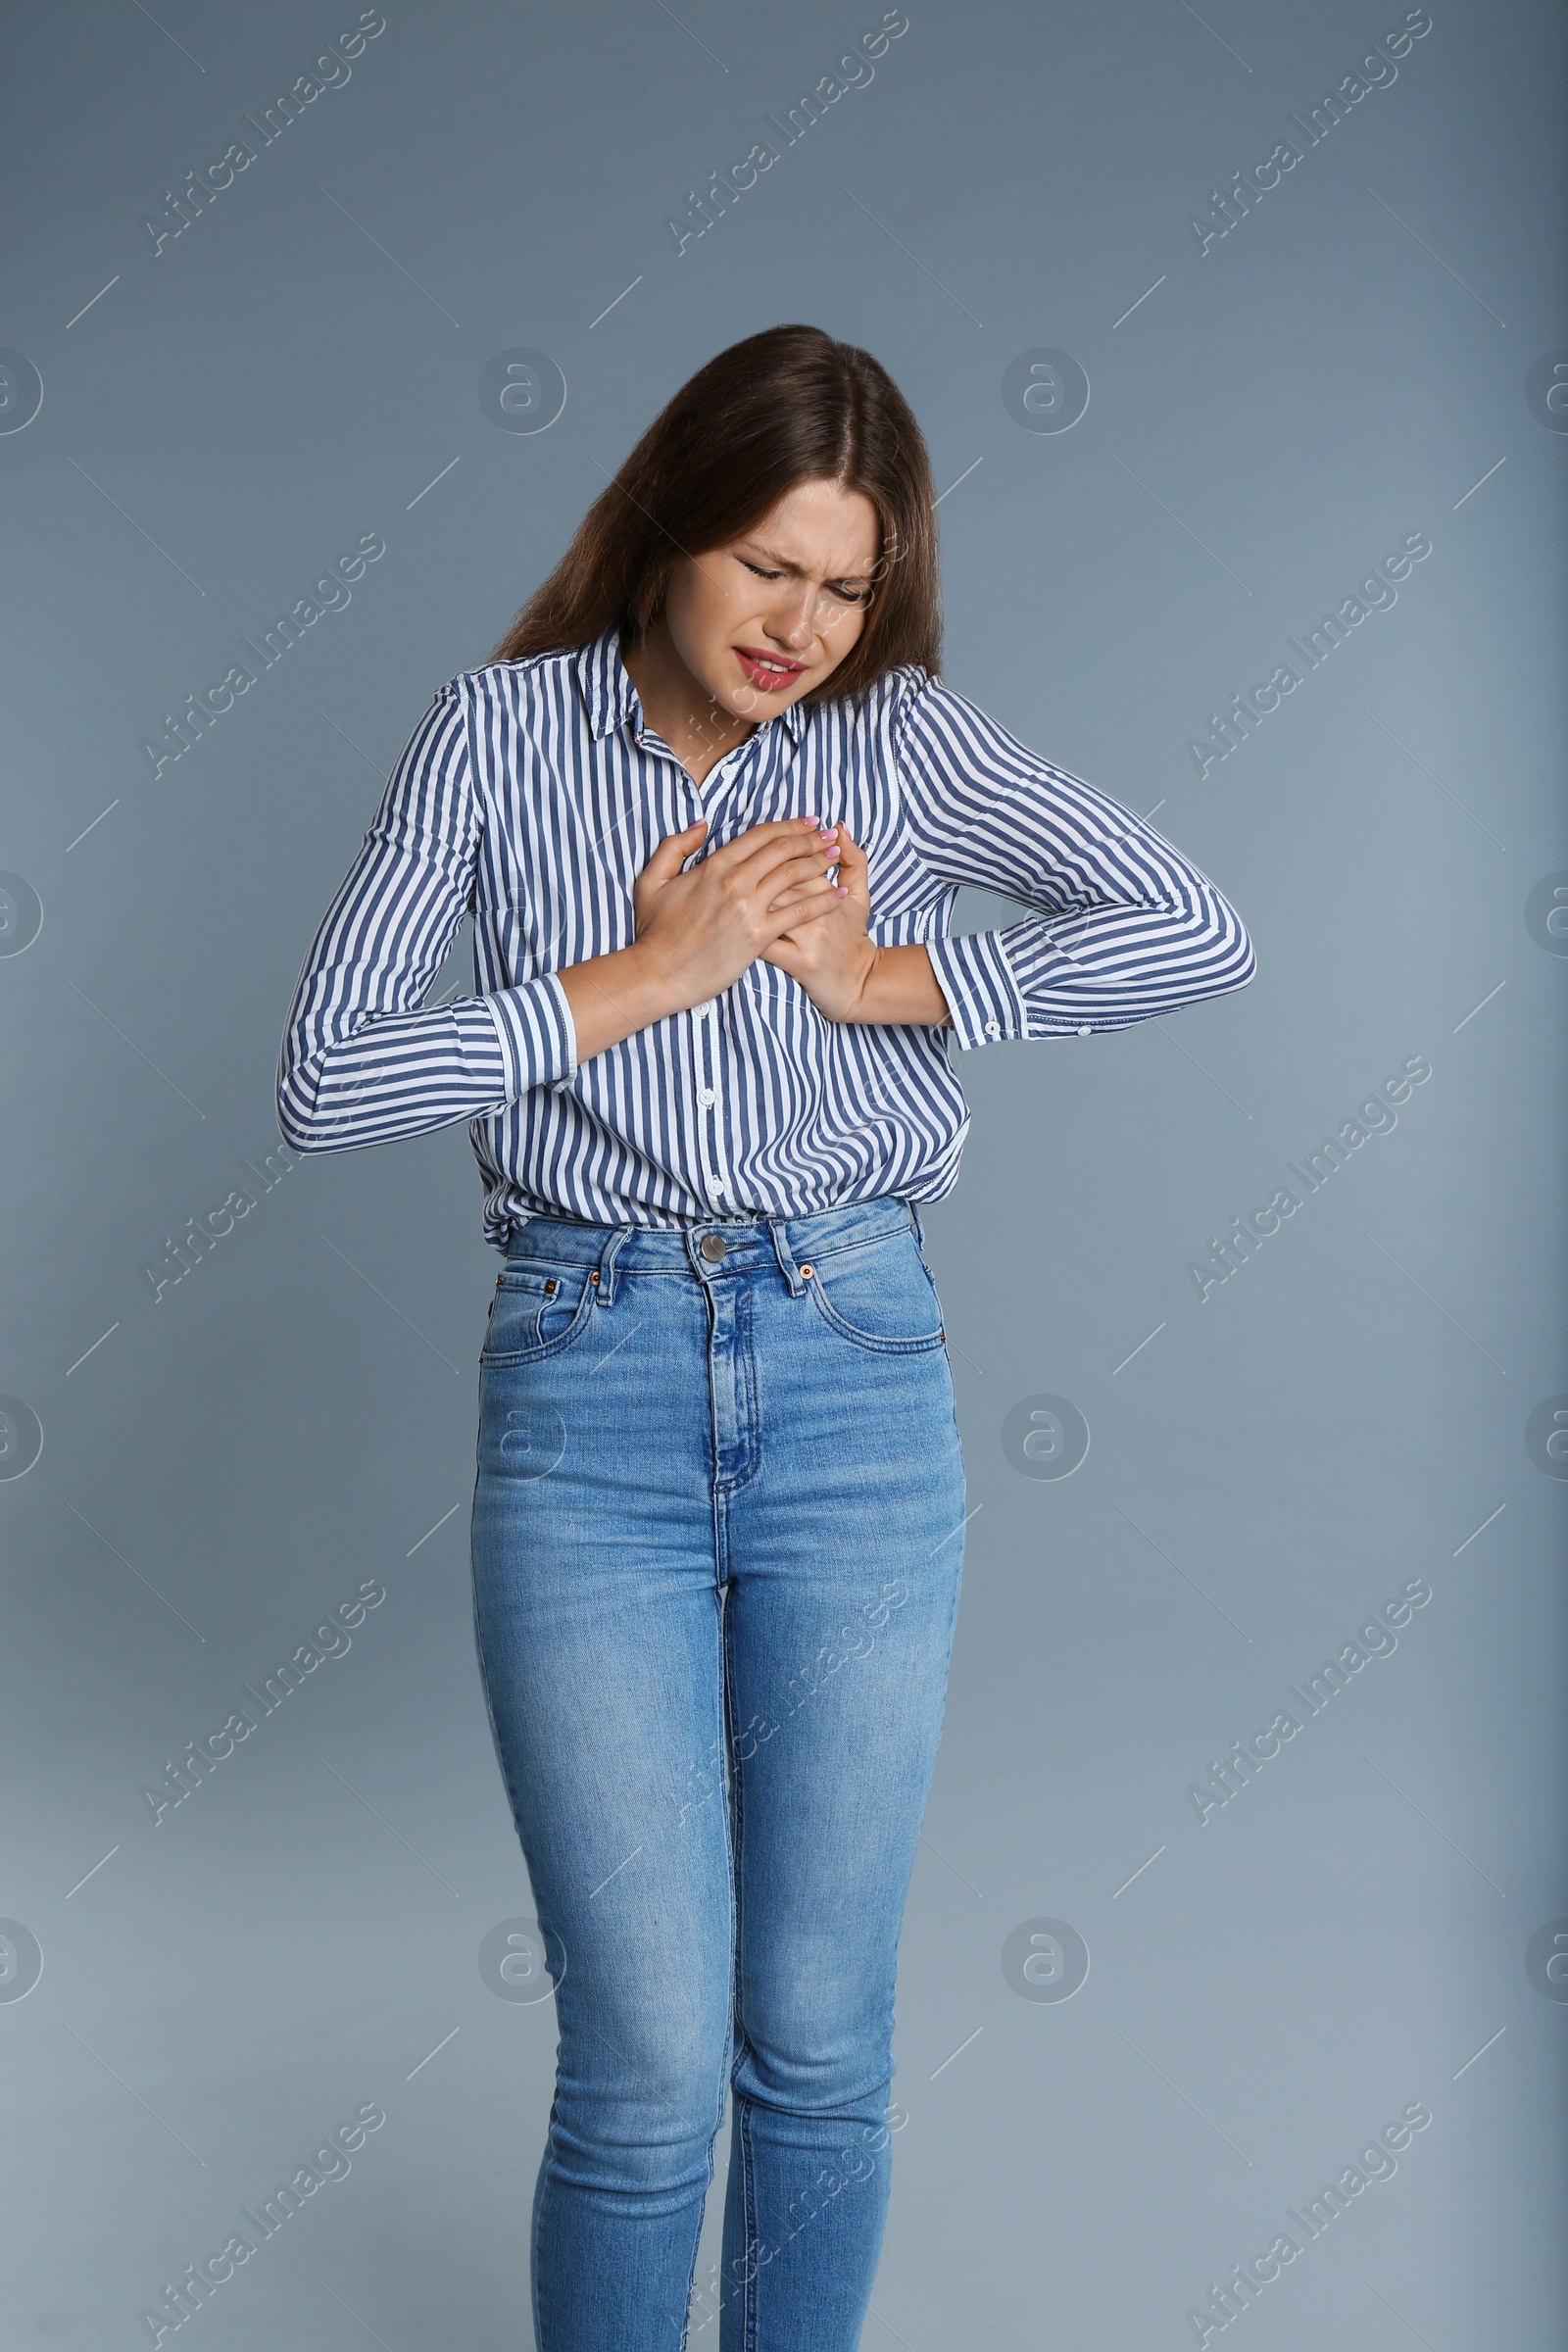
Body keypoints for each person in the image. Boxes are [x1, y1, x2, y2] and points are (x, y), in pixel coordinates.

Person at [276, 321, 1254, 2351]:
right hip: (584, 1374)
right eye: (764, 568)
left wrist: (893, 973)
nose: (801, 626)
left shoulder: (891, 747)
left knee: (813, 2038)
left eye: (844, 584)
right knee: (639, 2061)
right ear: (664, 532)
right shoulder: (491, 733)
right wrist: (634, 978)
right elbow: (324, 1078)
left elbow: (1191, 926)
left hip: (850, 1369)